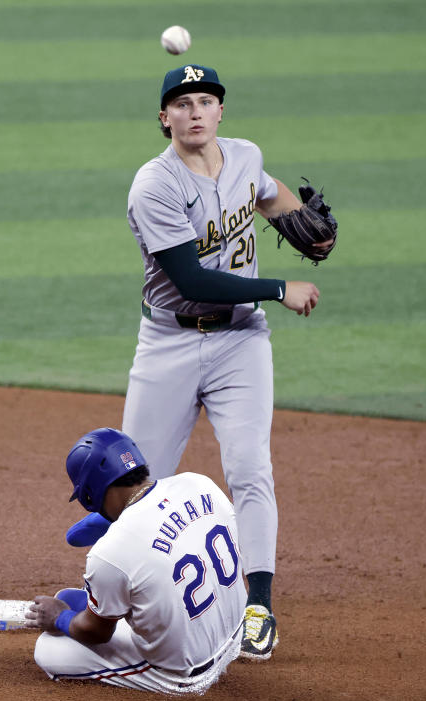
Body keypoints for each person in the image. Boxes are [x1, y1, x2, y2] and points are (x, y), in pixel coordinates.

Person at [121, 64, 334, 660]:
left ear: (220, 113)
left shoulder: (244, 156)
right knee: (137, 483)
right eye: (182, 103)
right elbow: (189, 279)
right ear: (164, 118)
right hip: (169, 342)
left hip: (241, 341)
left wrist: (302, 227)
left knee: (249, 467)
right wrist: (277, 288)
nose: (195, 111)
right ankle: (129, 603)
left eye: (205, 101)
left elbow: (267, 193)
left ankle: (257, 605)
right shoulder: (154, 185)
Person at [25, 427, 247, 695]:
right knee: (83, 597)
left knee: (49, 649)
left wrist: (59, 618)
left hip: (187, 672)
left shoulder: (110, 550)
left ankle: (160, 676)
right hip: (235, 635)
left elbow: (96, 633)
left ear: (89, 494)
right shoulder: (200, 483)